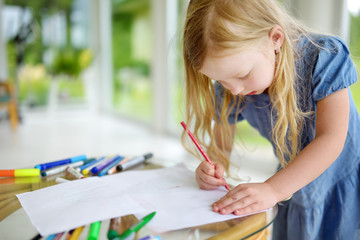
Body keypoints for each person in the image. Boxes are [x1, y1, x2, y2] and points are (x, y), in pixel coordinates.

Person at [180, 0, 360, 239]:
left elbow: (331, 139)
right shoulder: (235, 86)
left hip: (341, 189)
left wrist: (273, 189)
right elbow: (221, 145)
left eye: (242, 75)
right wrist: (211, 167)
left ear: (275, 39)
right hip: (291, 188)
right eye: (221, 80)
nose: (233, 90)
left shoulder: (324, 58)